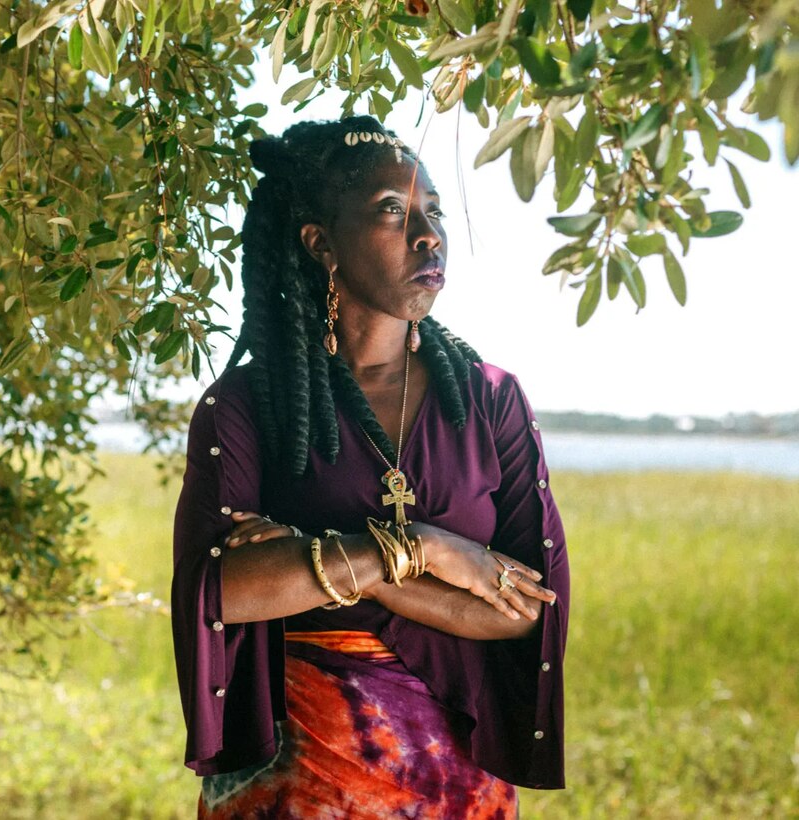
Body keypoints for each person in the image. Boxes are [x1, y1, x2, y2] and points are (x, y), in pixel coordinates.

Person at [172, 116, 570, 819]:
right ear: (320, 243)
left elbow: (523, 610)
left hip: (456, 784)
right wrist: (425, 551)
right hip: (293, 782)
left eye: (433, 213)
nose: (429, 235)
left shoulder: (492, 401)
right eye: (393, 211)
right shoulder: (247, 405)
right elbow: (222, 591)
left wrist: (324, 566)